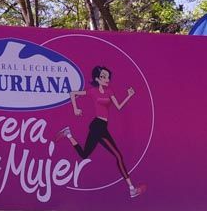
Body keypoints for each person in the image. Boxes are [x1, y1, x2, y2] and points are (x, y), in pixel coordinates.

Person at [59, 64, 144, 198]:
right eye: (103, 77)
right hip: (97, 126)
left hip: (102, 126)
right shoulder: (93, 91)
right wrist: (75, 108)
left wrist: (129, 95)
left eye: (108, 77)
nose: (107, 79)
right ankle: (131, 188)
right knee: (118, 156)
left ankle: (68, 134)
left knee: (84, 155)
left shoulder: (110, 91)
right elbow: (72, 93)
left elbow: (119, 107)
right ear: (97, 79)